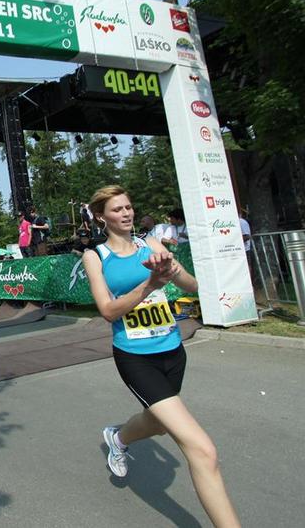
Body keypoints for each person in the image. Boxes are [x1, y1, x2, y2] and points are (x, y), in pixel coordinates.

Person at [81, 185, 240, 528]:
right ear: (101, 217)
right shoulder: (96, 256)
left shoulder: (150, 244)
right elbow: (108, 310)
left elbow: (191, 285)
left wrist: (170, 270)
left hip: (172, 351)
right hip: (136, 357)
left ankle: (118, 438)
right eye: (117, 209)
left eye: (128, 207)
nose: (126, 213)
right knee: (203, 450)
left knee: (157, 424)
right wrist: (149, 285)